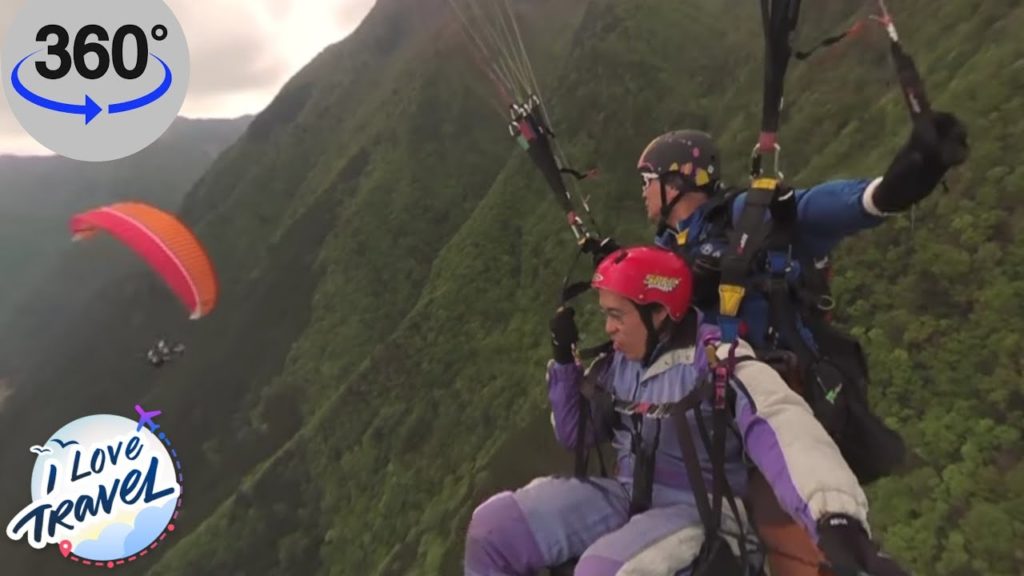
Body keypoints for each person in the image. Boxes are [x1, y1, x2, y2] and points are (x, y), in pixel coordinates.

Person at [464, 245, 906, 576]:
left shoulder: (716, 360)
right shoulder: (619, 364)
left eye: (617, 315)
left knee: (602, 570)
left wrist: (835, 518)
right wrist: (564, 362)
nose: (608, 328)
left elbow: (781, 422)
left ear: (658, 312)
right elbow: (574, 434)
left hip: (703, 510)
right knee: (494, 528)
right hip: (627, 495)